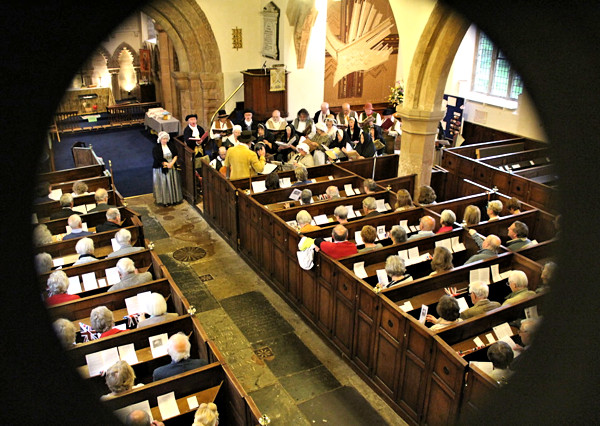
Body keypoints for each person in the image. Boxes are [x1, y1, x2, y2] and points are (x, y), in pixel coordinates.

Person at [152, 131, 183, 206]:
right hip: (162, 168)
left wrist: (172, 163)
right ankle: (165, 200)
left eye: (166, 139)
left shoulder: (170, 145)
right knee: (164, 183)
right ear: (160, 139)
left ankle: (175, 199)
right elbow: (158, 158)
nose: (165, 141)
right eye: (163, 139)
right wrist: (166, 164)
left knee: (173, 182)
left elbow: (175, 154)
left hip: (171, 165)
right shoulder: (156, 148)